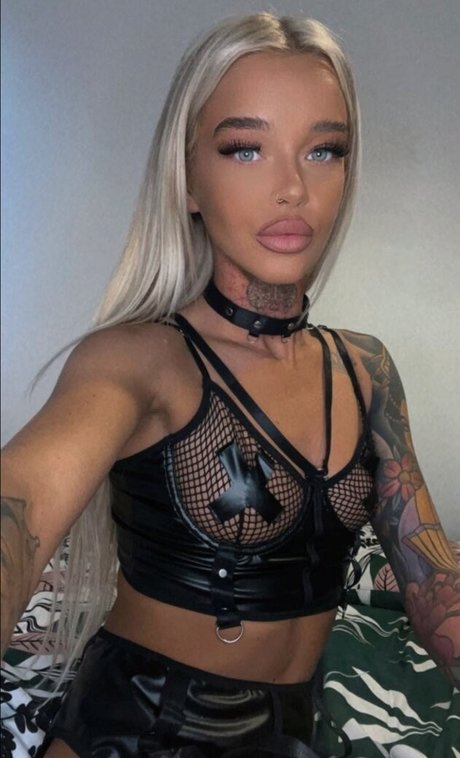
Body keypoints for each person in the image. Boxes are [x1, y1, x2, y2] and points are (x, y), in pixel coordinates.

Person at [1, 11, 459, 758]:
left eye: (323, 150)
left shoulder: (366, 369)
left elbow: (432, 579)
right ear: (188, 179)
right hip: (138, 732)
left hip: (292, 732)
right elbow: (20, 497)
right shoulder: (140, 360)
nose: (292, 187)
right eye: (245, 149)